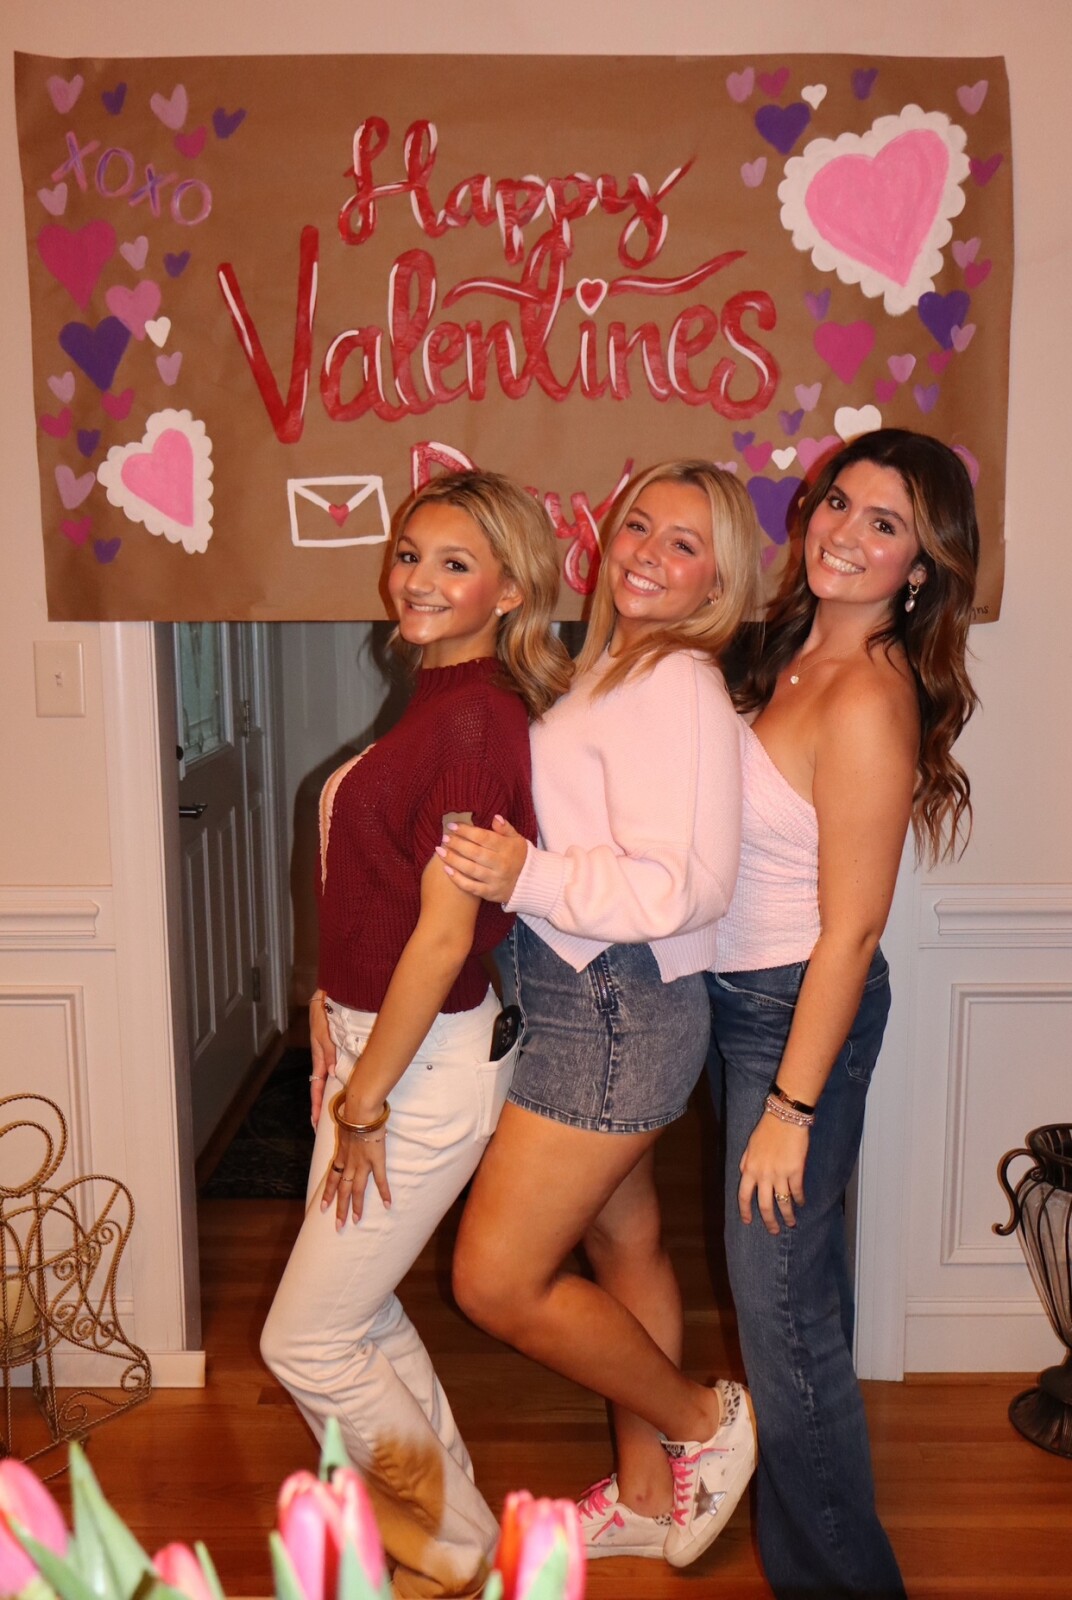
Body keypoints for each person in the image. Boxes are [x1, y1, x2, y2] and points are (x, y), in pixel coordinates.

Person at [439, 460, 763, 1571]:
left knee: (493, 1279)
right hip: (584, 993)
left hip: (612, 1006)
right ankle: (645, 1495)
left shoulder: (677, 682)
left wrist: (526, 875)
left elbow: (687, 887)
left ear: (720, 579)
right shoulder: (609, 670)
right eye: (638, 526)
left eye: (685, 544)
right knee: (626, 1245)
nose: (649, 555)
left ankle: (702, 1420)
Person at [260, 470, 572, 1600]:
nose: (419, 580)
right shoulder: (443, 697)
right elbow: (381, 892)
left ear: (510, 589)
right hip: (379, 1046)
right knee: (356, 1311)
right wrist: (326, 1006)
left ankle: (449, 1549)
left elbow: (442, 942)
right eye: (409, 554)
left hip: (415, 1067)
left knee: (305, 1340)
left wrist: (363, 1102)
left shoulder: (477, 720)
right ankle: (460, 1528)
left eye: (455, 563)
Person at [705, 428, 980, 1600]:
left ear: (920, 566)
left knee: (783, 1317)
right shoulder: (786, 651)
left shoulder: (867, 694)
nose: (847, 533)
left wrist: (790, 1108)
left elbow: (853, 930)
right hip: (743, 1001)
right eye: (838, 503)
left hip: (794, 1020)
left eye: (885, 524)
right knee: (795, 1295)